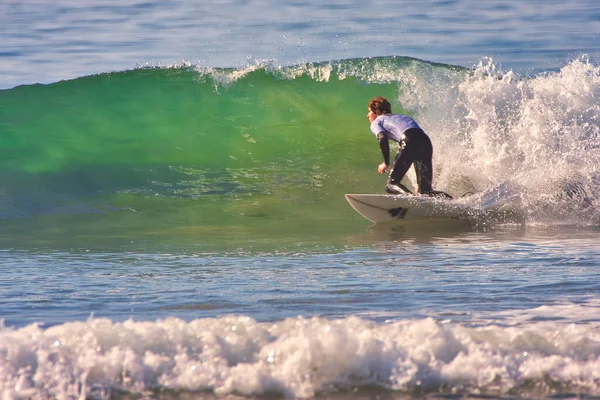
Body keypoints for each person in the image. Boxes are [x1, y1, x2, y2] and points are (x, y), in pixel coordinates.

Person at [367, 96, 451, 198]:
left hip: (409, 140)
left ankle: (412, 200)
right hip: (425, 142)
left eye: (370, 111)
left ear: (377, 112)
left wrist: (386, 162)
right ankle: (453, 202)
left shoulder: (378, 120)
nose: (368, 115)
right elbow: (416, 145)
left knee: (391, 184)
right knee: (425, 191)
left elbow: (382, 137)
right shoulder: (402, 117)